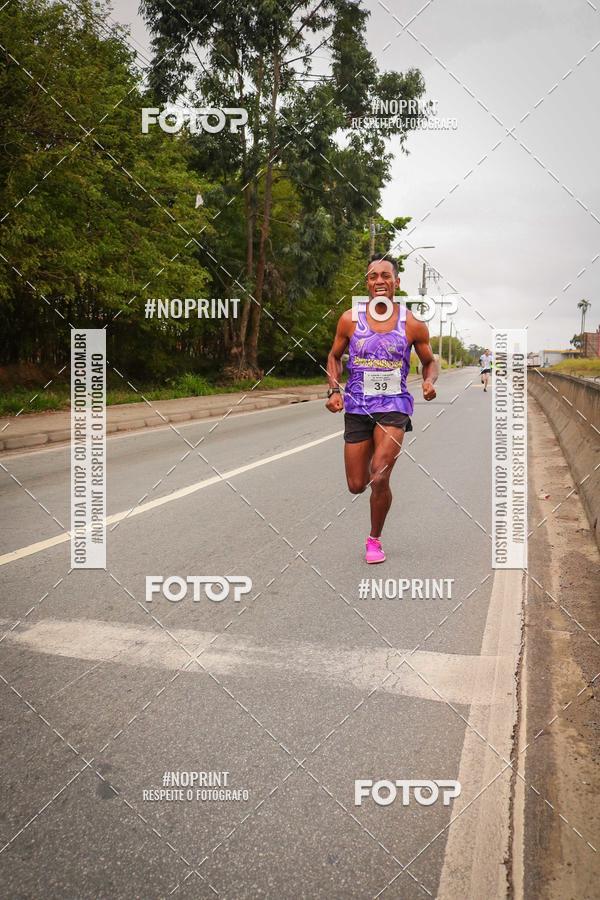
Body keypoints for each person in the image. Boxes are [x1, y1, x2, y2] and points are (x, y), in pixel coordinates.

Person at [325, 254, 439, 563]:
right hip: (357, 406)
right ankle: (371, 494)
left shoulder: (412, 323)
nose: (379, 281)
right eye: (373, 276)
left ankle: (374, 540)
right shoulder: (350, 319)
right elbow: (334, 356)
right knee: (356, 485)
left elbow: (430, 362)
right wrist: (334, 389)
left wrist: (429, 382)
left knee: (379, 475)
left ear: (396, 282)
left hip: (394, 406)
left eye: (385, 276)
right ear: (367, 283)